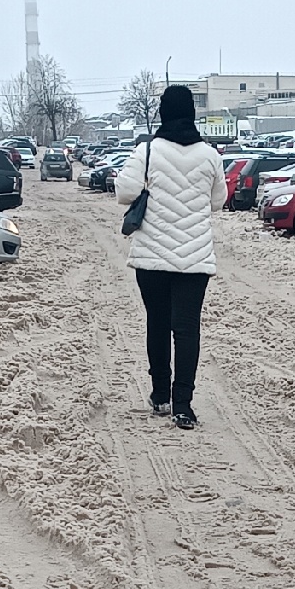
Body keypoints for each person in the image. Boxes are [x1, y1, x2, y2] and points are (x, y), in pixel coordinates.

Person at [115, 84, 225, 429]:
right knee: (187, 330)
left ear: (163, 112)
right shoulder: (210, 155)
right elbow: (217, 201)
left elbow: (124, 191)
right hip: (194, 258)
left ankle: (160, 394)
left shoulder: (147, 152)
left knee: (158, 323)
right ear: (192, 112)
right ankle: (184, 405)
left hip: (152, 258)